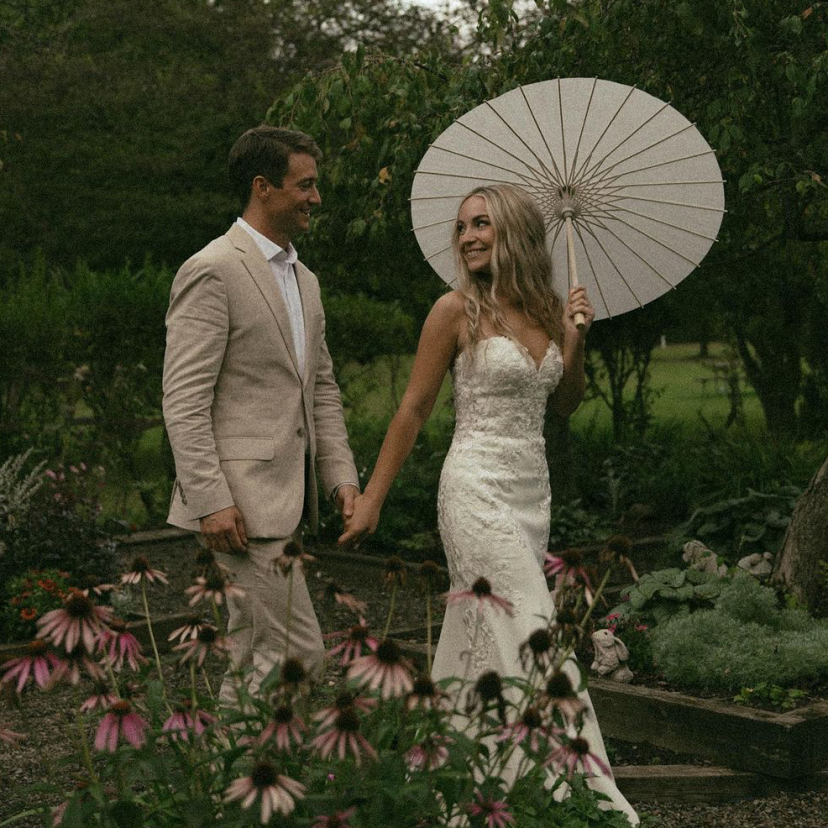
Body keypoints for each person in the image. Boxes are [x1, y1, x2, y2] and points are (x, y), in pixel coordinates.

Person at [339, 184, 638, 823]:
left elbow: (563, 402)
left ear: (517, 234)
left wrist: (575, 341)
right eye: (463, 227)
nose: (470, 236)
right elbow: (414, 409)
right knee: (530, 625)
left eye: (483, 224)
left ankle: (471, 779)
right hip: (473, 487)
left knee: (486, 630)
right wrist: (371, 500)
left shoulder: (552, 309)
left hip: (532, 492)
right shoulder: (455, 310)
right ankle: (571, 791)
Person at [163, 126, 359, 703]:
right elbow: (184, 397)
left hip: (288, 500)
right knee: (287, 657)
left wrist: (340, 476)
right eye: (305, 185)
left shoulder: (307, 280)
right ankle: (248, 784)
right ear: (262, 187)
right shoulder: (212, 269)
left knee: (273, 657)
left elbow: (320, 387)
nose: (315, 198)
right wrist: (211, 499)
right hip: (240, 509)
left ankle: (256, 783)